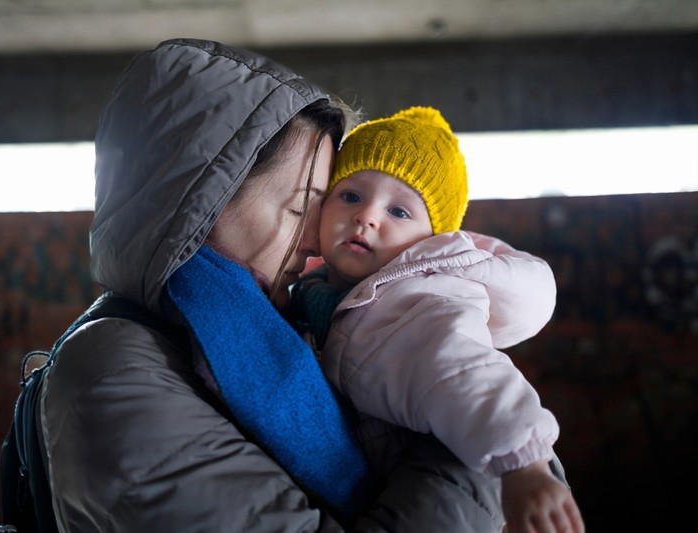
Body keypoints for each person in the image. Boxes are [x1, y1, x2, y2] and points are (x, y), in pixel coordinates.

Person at [34, 38, 508, 532]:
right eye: (301, 208)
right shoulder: (119, 373)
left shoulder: (276, 328)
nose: (317, 240)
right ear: (203, 201)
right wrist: (470, 430)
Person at [290, 106, 585, 533]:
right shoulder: (312, 295)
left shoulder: (421, 301)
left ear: (431, 241)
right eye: (351, 195)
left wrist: (524, 467)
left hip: (460, 472)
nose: (367, 216)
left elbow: (467, 371)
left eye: (400, 212)